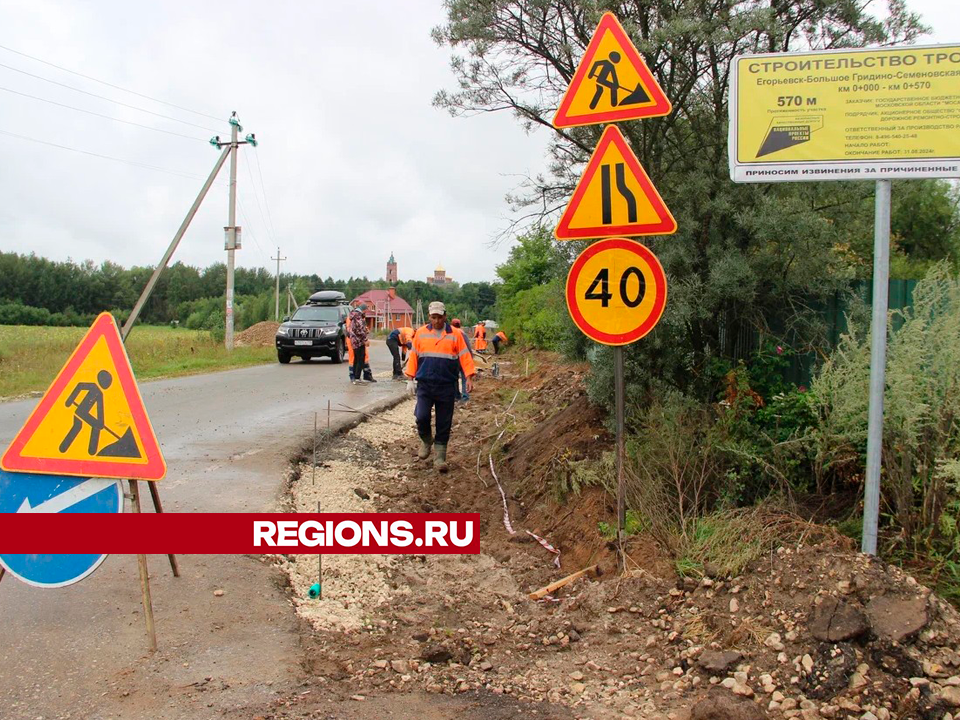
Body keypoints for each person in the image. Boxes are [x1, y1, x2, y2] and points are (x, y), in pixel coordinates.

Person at [405, 301, 476, 472]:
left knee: (444, 422)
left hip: (446, 385)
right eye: (433, 317)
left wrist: (469, 376)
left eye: (439, 317)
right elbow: (414, 356)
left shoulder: (456, 335)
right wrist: (409, 378)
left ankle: (440, 457)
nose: (436, 321)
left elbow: (465, 356)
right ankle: (426, 439)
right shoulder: (421, 334)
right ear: (429, 317)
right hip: (425, 385)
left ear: (445, 316)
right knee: (421, 416)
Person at [450, 318, 472, 403]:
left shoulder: (451, 332)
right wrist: (470, 358)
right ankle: (465, 396)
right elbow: (468, 347)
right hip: (463, 358)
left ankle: (456, 395)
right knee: (464, 378)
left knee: (454, 378)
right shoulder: (463, 333)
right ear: (460, 324)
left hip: (454, 359)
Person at [347, 305, 370, 385]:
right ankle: (357, 378)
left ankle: (355, 378)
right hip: (358, 341)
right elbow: (360, 330)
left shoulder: (353, 315)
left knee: (356, 359)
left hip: (353, 340)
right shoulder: (358, 317)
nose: (366, 313)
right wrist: (365, 340)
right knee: (360, 359)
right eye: (366, 311)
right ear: (363, 310)